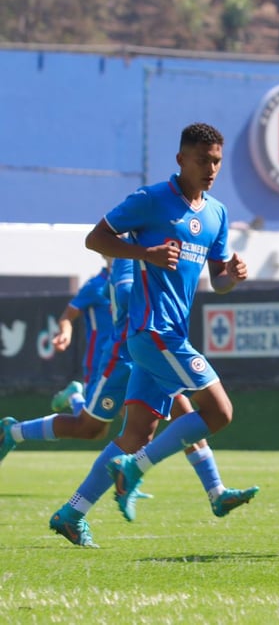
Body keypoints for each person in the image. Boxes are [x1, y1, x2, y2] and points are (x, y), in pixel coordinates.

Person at [0, 257, 258, 546]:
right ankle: (18, 431)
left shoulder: (157, 252)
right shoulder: (124, 262)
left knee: (172, 417)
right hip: (121, 358)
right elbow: (112, 297)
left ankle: (213, 491)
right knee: (91, 428)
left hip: (149, 351)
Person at [82, 122, 253, 525]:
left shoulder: (217, 213)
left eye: (216, 162)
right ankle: (136, 468)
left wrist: (234, 275)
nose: (210, 169)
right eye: (202, 160)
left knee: (136, 433)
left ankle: (72, 513)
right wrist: (146, 253)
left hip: (168, 335)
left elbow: (219, 281)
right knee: (220, 413)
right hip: (153, 332)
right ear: (180, 160)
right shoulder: (152, 199)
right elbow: (95, 239)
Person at [49, 259, 115, 415]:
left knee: (131, 415)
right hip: (99, 361)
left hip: (128, 359)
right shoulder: (95, 286)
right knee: (90, 421)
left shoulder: (137, 283)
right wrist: (65, 332)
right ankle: (74, 396)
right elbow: (67, 316)